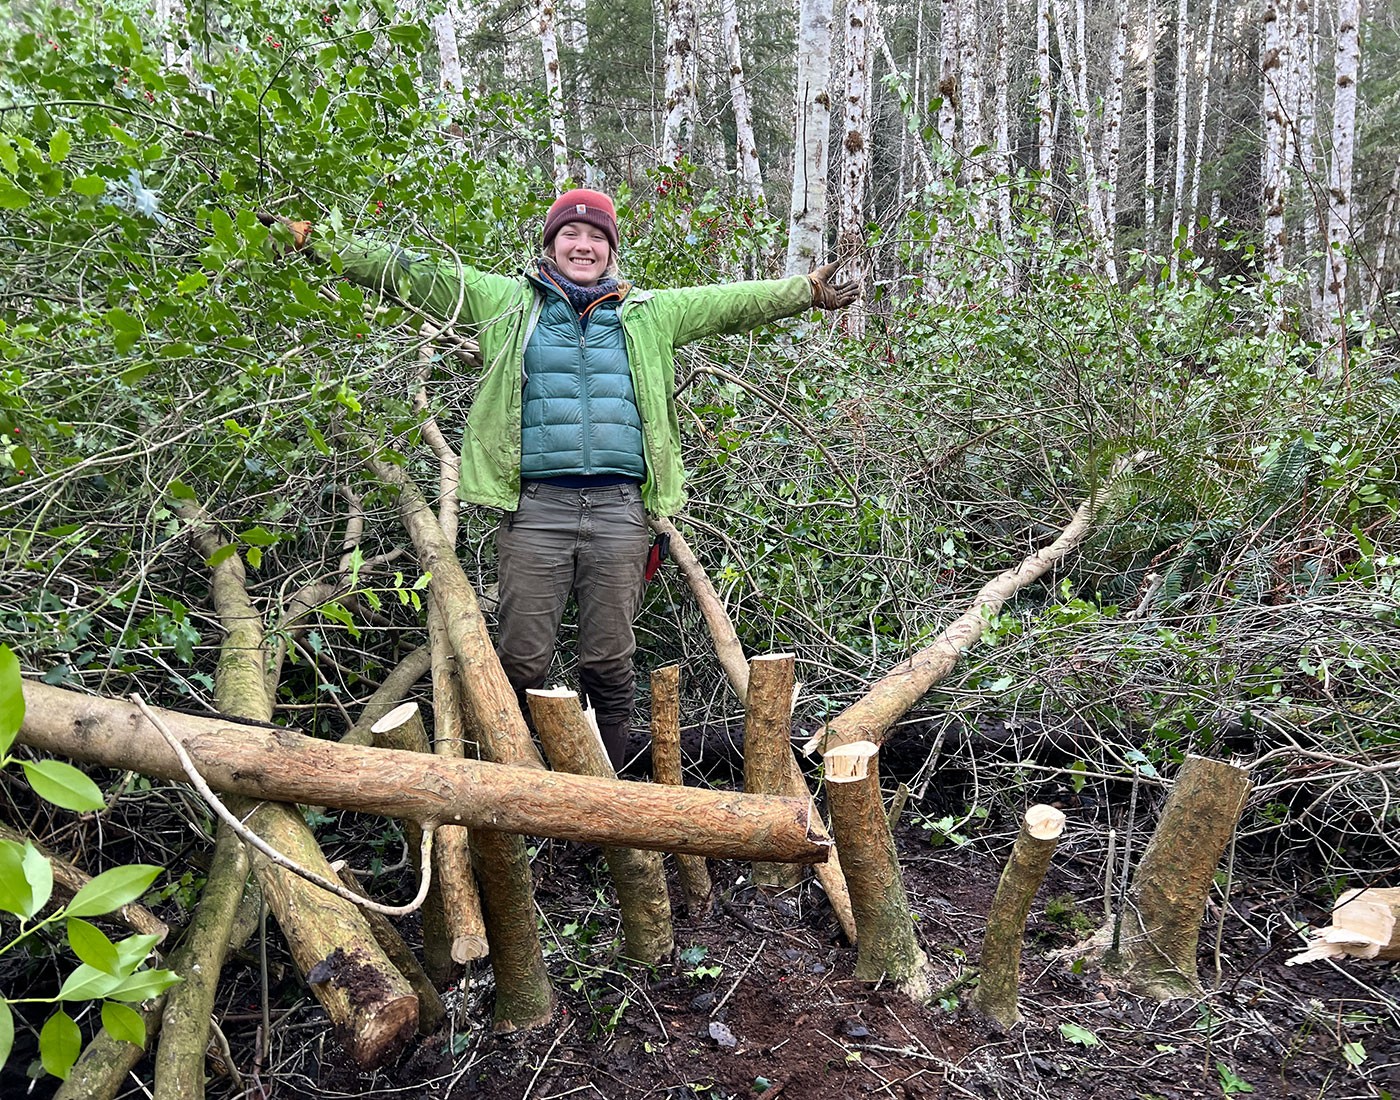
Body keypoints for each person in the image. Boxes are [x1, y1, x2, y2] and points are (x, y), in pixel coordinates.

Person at [265, 189, 857, 769]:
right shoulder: (505, 301)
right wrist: (319, 241)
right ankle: (523, 792)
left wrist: (806, 291)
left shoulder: (650, 314)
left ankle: (607, 801)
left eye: (596, 236)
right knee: (522, 659)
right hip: (536, 510)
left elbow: (732, 302)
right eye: (570, 233)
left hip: (620, 512)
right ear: (550, 244)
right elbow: (413, 273)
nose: (582, 245)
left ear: (611, 250)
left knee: (610, 661)